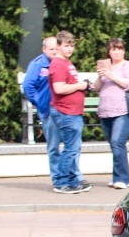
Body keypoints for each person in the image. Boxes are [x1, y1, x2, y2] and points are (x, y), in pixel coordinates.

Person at [90, 38, 129, 189]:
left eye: (119, 49)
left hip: (123, 111)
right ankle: (122, 177)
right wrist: (100, 76)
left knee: (117, 142)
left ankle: (122, 179)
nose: (116, 52)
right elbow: (96, 88)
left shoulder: (128, 65)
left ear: (124, 50)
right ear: (109, 52)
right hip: (106, 111)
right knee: (115, 145)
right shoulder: (107, 66)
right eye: (113, 49)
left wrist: (111, 75)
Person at [47, 30, 92, 194]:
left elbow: (69, 85)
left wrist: (84, 87)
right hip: (66, 112)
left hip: (73, 112)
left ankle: (73, 181)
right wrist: (80, 86)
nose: (70, 49)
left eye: (72, 46)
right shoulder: (58, 64)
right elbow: (59, 88)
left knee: (73, 148)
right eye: (66, 46)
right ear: (58, 46)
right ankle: (61, 182)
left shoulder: (67, 63)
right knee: (70, 149)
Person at [22, 36, 64, 190]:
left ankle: (72, 176)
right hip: (48, 111)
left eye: (56, 49)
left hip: (63, 110)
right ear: (44, 49)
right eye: (51, 49)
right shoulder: (38, 64)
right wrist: (39, 102)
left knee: (70, 147)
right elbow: (28, 86)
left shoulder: (60, 63)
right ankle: (57, 179)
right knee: (53, 146)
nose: (54, 52)